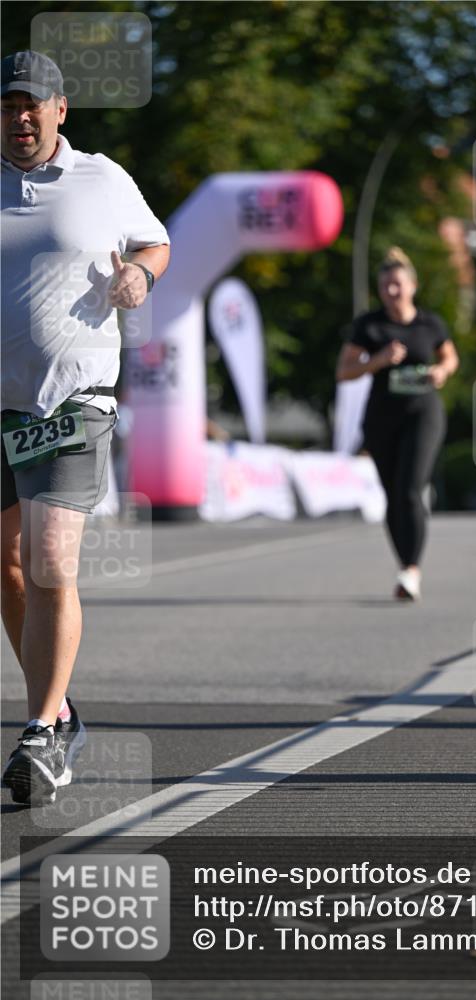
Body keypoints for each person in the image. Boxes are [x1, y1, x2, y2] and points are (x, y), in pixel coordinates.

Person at [1, 51, 170, 805]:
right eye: (8, 106)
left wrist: (139, 275)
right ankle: (61, 706)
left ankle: (39, 734)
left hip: (74, 402)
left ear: (60, 109)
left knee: (48, 562)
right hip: (1, 406)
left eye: (32, 104)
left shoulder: (103, 178)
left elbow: (154, 241)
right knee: (7, 570)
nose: (20, 117)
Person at [336, 247, 458, 600]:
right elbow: (344, 372)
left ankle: (411, 570)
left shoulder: (430, 323)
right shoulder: (370, 325)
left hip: (424, 412)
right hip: (382, 416)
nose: (392, 292)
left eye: (398, 285)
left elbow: (450, 357)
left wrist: (442, 371)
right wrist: (377, 360)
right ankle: (404, 564)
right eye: (386, 286)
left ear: (413, 286)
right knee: (393, 494)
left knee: (410, 487)